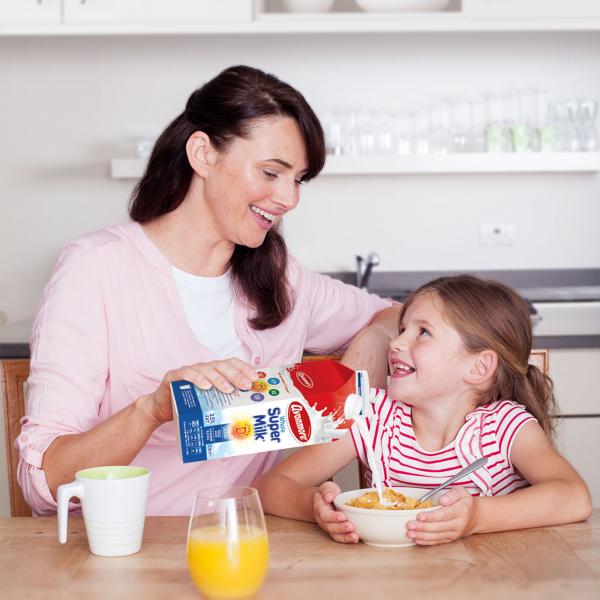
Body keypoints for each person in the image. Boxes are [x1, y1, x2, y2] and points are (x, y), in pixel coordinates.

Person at [17, 65, 398, 516]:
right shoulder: (95, 267)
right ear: (202, 154)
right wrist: (151, 410)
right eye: (272, 172)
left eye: (298, 179)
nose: (289, 199)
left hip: (249, 551)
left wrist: (374, 339)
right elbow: (43, 482)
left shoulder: (282, 279)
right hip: (128, 555)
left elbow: (399, 316)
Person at [255, 275, 592, 545]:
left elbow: (573, 497)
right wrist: (313, 507)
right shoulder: (372, 417)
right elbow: (271, 486)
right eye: (402, 330)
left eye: (423, 333)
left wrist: (477, 517)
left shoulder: (504, 428)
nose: (396, 343)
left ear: (478, 368)